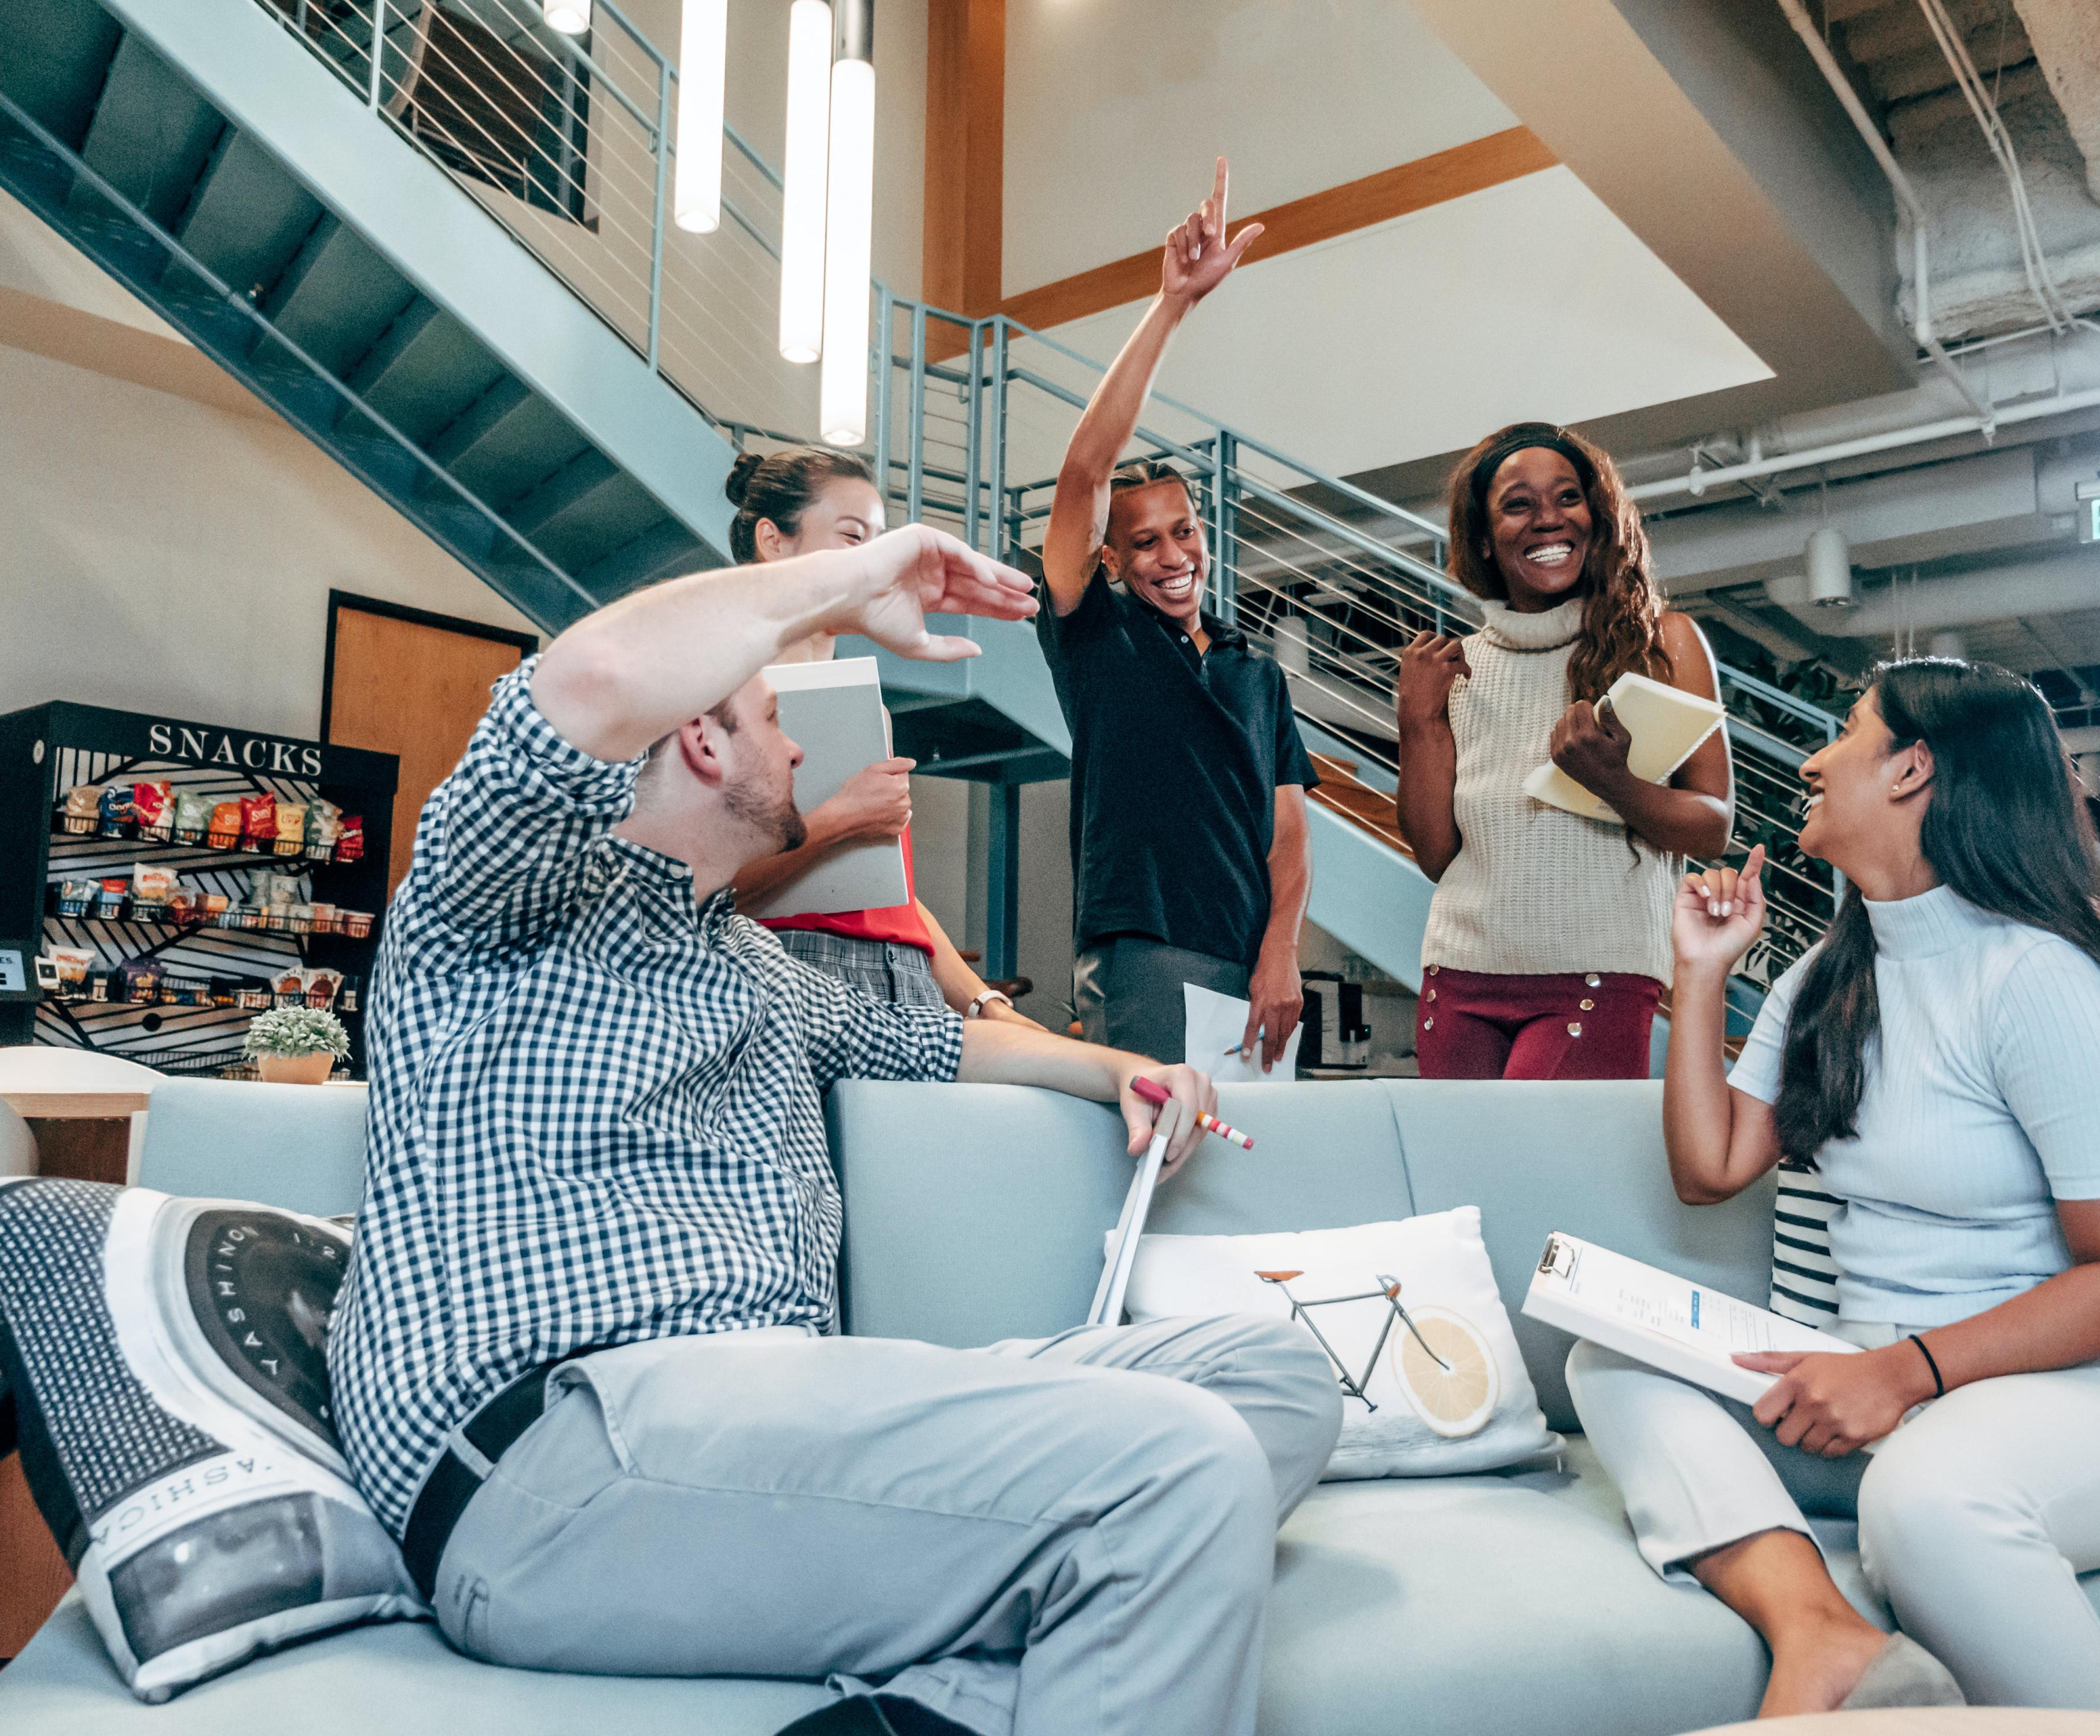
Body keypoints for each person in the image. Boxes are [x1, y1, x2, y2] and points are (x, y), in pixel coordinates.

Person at [325, 521, 1343, 1736]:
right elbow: (591, 680)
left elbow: (951, 1040)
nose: (800, 745)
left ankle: (920, 1710)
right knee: (1179, 1465)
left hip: (775, 1413)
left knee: (1270, 1381)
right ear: (700, 736)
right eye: (770, 717)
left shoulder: (750, 964)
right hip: (564, 1447)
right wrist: (870, 570)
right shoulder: (498, 911)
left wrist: (1121, 1068)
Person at [1566, 657, 2100, 1715]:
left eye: (1843, 733)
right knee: (1612, 1359)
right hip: (1892, 1391)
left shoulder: (2037, 978)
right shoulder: (1831, 975)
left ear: (1911, 770)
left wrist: (1904, 1370)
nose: (1813, 757)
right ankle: (1821, 1631)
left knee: (1929, 1502)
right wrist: (1700, 975)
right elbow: (1712, 1169)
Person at [1038, 159, 1316, 1072]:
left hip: (1256, 964)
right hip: (1146, 949)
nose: (1172, 556)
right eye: (1145, 542)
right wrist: (1173, 308)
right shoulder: (1096, 633)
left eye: (1184, 532)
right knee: (1162, 1183)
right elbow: (1085, 472)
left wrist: (1282, 953)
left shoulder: (1254, 670)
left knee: (1244, 1196)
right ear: (1112, 561)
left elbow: (1287, 834)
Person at [1396, 421, 1732, 1080]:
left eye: (1568, 497)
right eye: (1518, 504)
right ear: (1485, 540)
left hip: (1596, 971)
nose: (1547, 520)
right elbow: (1438, 856)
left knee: (1548, 1180)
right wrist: (1418, 725)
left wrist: (1616, 784)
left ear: (1598, 515)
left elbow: (1714, 824)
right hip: (1458, 972)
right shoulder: (1454, 667)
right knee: (1461, 1183)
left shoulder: (1665, 643)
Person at [721, 447, 1046, 1030]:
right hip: (794, 971)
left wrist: (984, 1004)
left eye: (880, 544)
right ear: (774, 541)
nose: (875, 565)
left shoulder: (865, 705)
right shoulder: (725, 695)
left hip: (907, 976)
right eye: (853, 538)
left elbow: (891, 896)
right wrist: (841, 818)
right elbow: (704, 887)